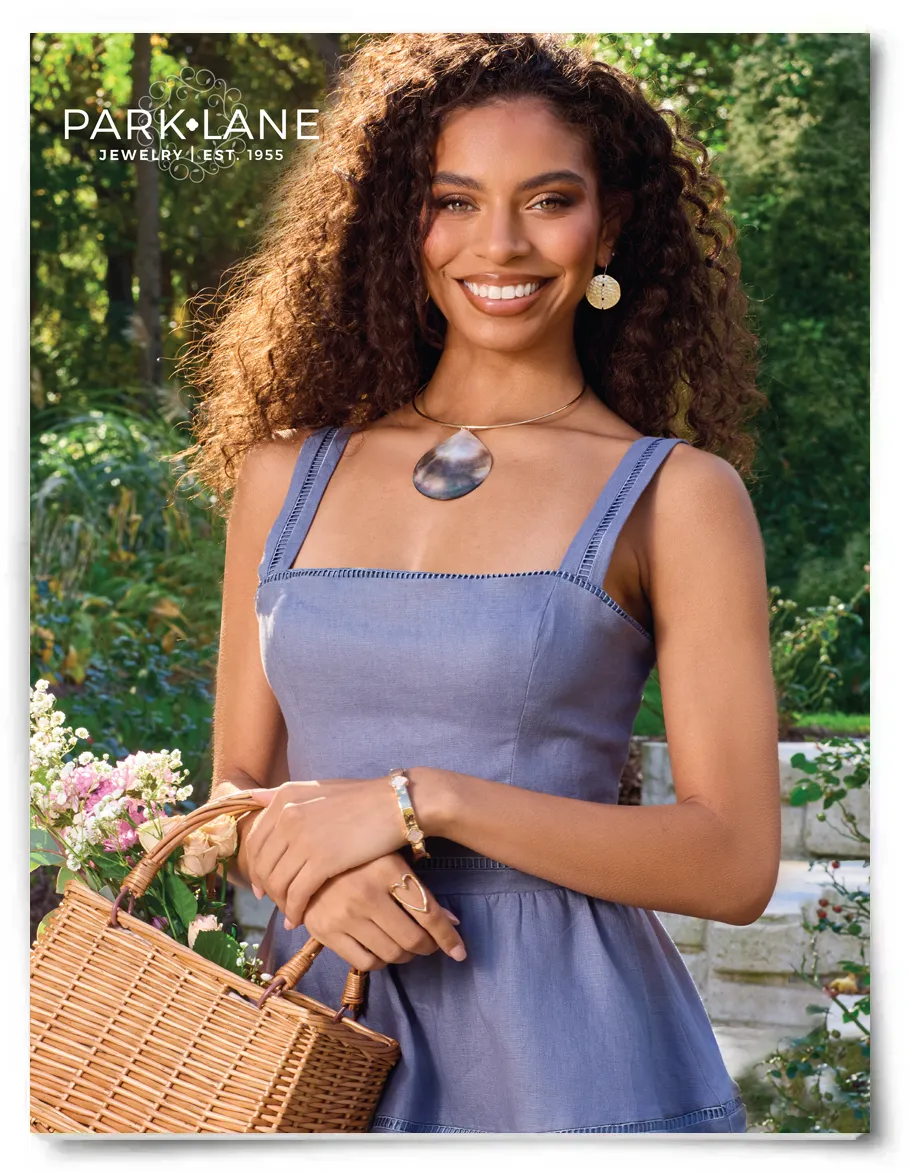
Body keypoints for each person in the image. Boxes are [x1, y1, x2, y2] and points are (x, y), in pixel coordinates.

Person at [180, 33, 781, 1134]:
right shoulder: (281, 474)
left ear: (610, 225)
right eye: (452, 200)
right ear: (396, 223)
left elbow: (734, 861)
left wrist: (426, 796)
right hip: (307, 1028)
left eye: (548, 200)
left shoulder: (675, 495)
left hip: (567, 1056)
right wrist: (311, 875)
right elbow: (235, 787)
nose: (498, 243)